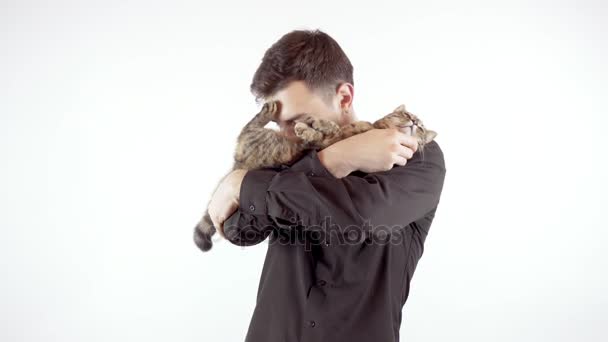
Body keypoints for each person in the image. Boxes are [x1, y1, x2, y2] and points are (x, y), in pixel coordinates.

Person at [206, 29, 446, 342]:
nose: (286, 134)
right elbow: (239, 229)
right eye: (277, 124)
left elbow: (363, 216)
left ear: (344, 97)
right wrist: (333, 160)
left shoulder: (415, 156)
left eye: (294, 121)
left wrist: (243, 184)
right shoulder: (290, 154)